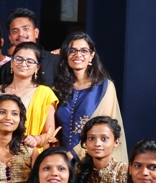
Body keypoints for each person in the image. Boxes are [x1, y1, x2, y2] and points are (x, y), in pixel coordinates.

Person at [53, 32, 128, 164]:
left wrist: (73, 154)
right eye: (72, 50)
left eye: (84, 51)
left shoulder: (104, 87)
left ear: (91, 55)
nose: (78, 55)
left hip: (92, 160)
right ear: (65, 54)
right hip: (61, 162)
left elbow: (105, 127)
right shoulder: (57, 89)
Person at [0, 42, 58, 151]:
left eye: (29, 61)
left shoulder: (45, 93)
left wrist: (36, 139)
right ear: (11, 62)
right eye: (19, 59)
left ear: (37, 67)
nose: (23, 64)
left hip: (31, 153)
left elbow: (49, 133)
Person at [0, 9, 60, 87]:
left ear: (36, 33)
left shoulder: (55, 61)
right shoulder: (5, 69)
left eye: (26, 29)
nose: (20, 34)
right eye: (15, 31)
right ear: (10, 38)